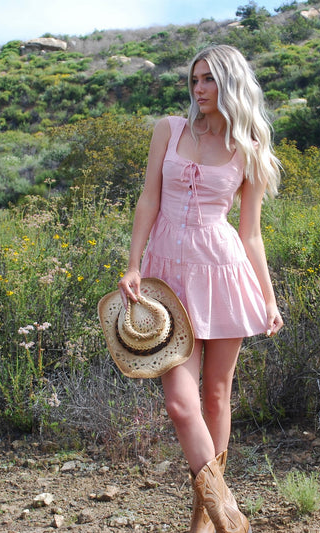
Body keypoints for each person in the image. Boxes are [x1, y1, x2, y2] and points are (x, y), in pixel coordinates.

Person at [119, 44, 283, 533]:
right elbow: (149, 198)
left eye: (209, 79)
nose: (199, 89)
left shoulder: (248, 146)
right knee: (178, 401)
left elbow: (250, 233)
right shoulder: (169, 129)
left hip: (223, 271)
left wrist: (269, 299)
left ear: (230, 83)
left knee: (216, 393)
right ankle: (227, 513)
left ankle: (204, 524)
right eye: (195, 80)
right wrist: (132, 265)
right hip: (166, 277)